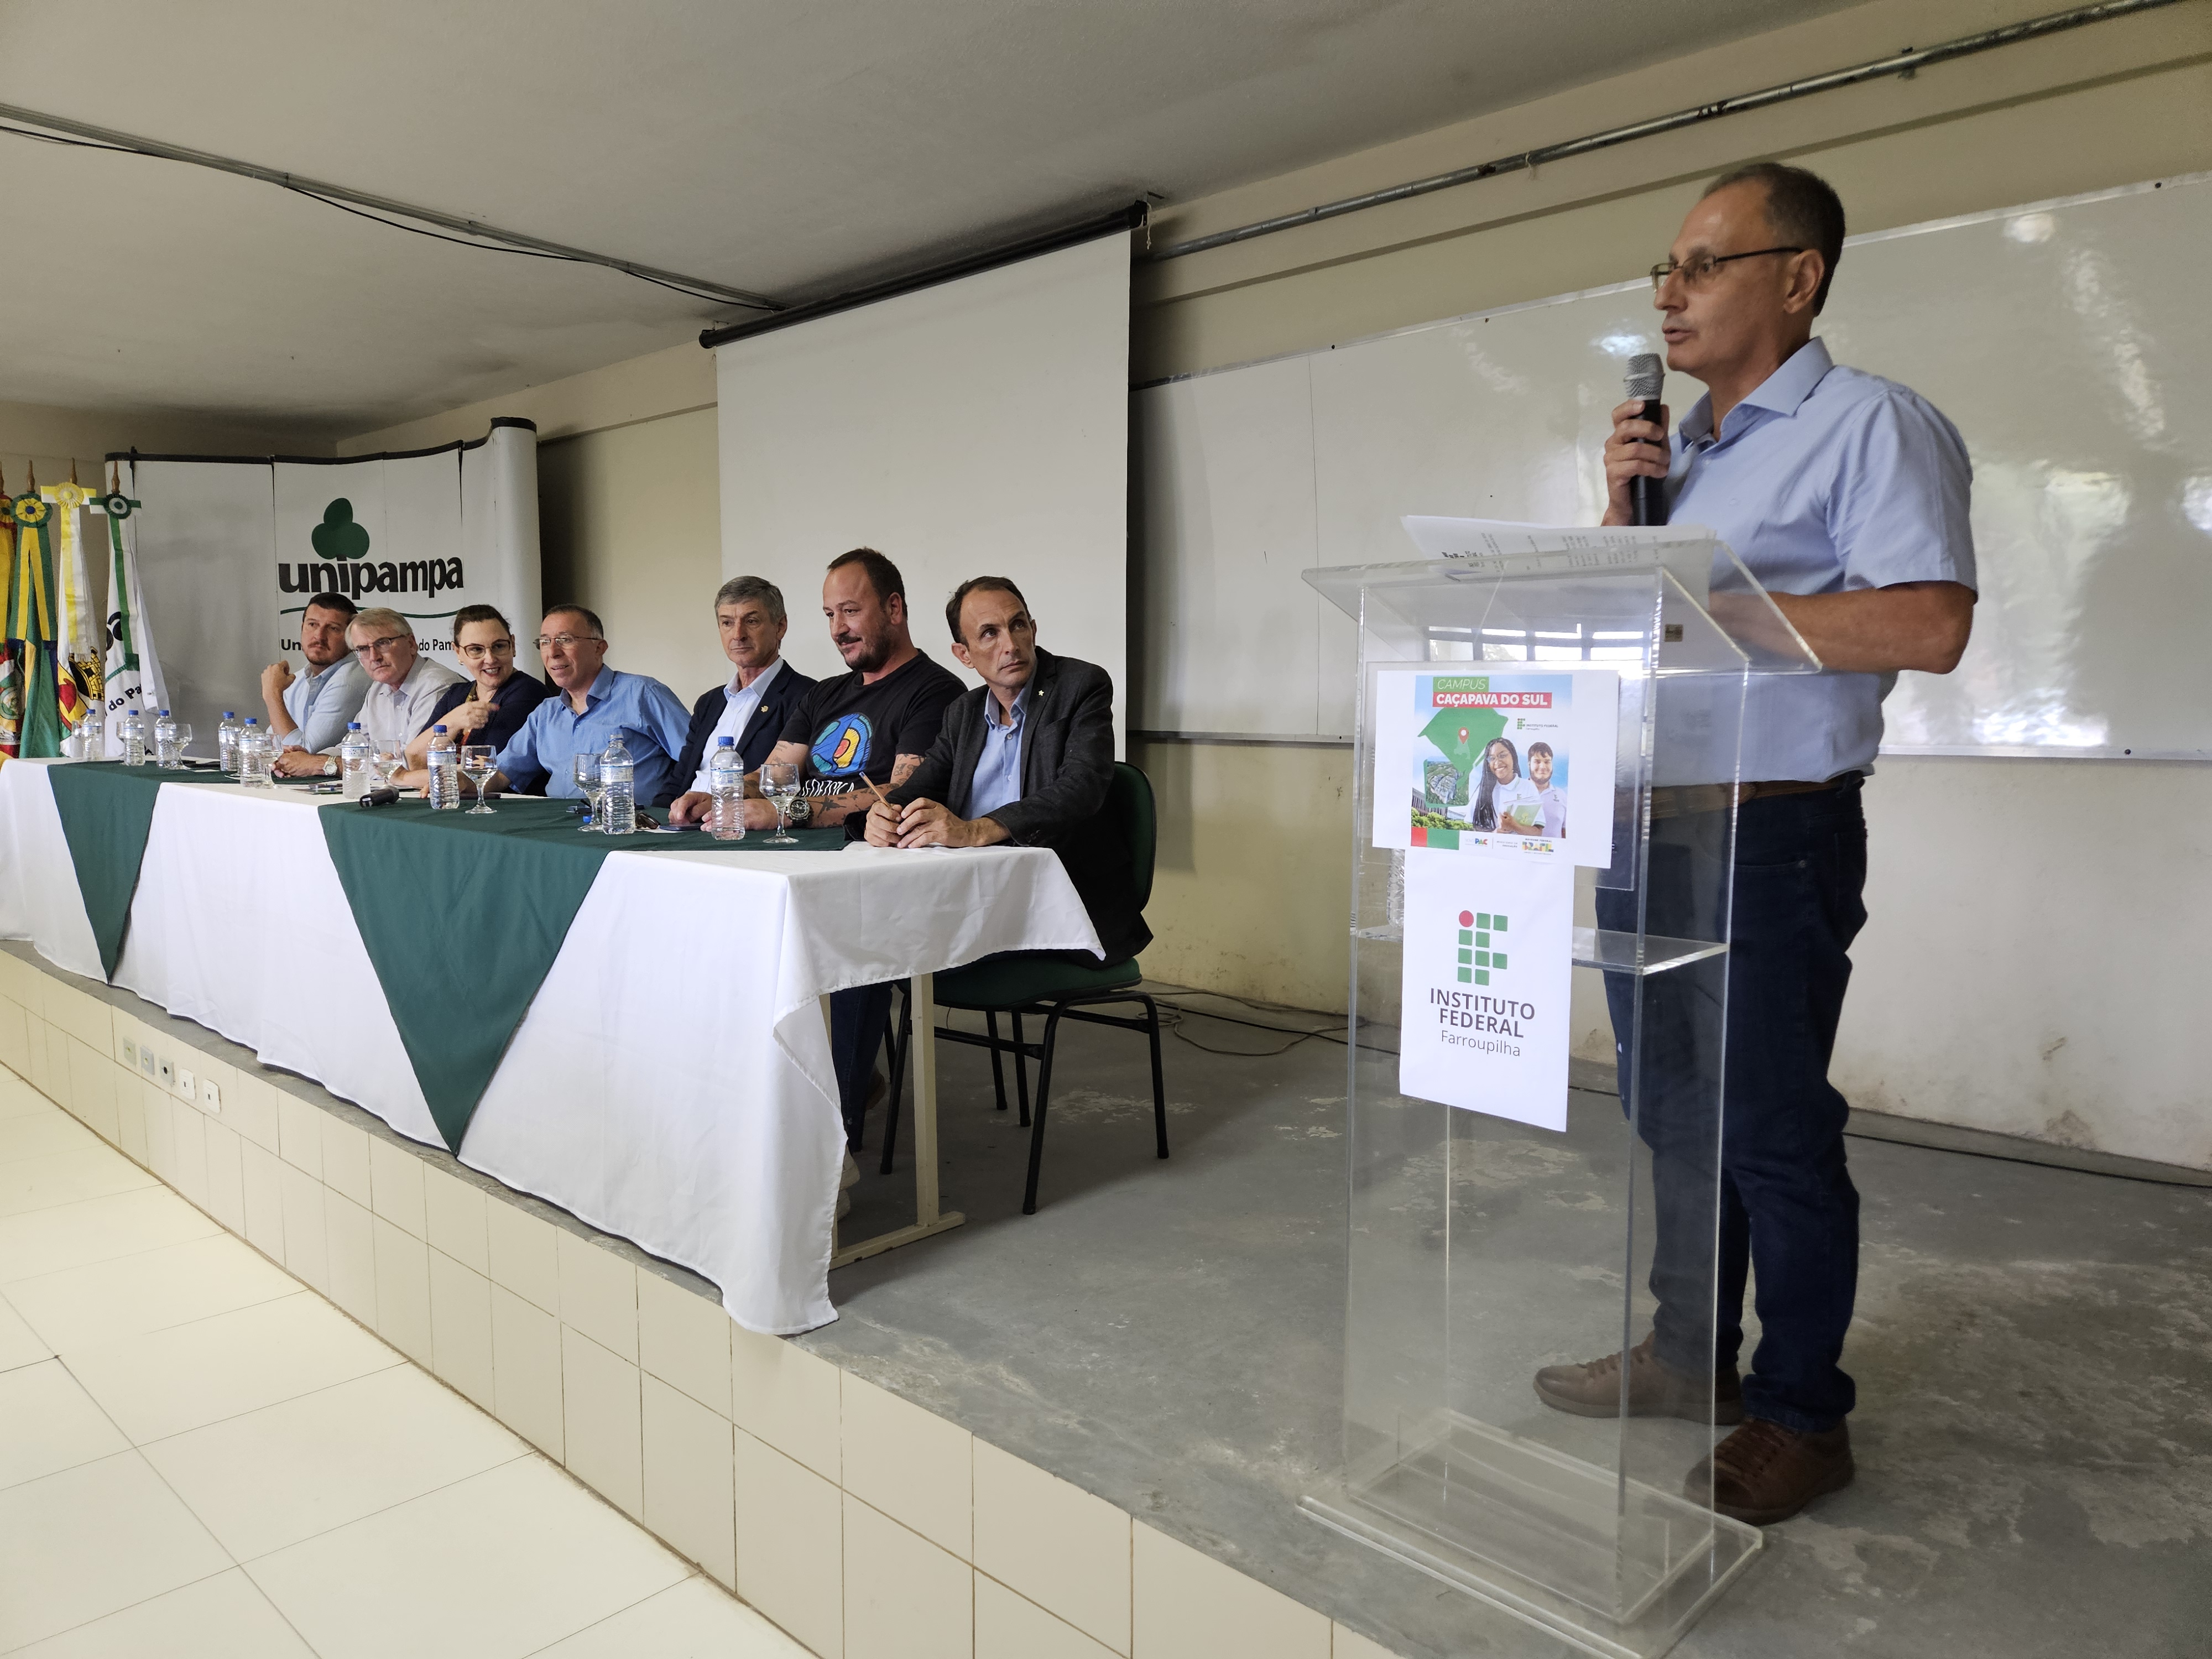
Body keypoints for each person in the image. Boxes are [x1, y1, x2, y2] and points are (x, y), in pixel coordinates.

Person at [1532, 162, 1974, 1525]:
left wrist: (1709, 607)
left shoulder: (1869, 425)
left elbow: (1927, 624)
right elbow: (1635, 632)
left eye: (1701, 265)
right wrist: (1622, 528)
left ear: (1797, 277)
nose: (1668, 294)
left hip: (1769, 829)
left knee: (1770, 1129)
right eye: (1662, 270)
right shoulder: (1682, 457)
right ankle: (1686, 1354)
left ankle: (1799, 1412)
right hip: (1642, 821)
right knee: (1666, 1110)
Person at [749, 549, 964, 1143]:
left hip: (873, 876)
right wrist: (717, 792)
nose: (838, 629)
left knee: (852, 937)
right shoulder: (824, 694)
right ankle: (769, 1101)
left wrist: (788, 810)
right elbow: (773, 775)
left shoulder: (935, 691)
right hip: (798, 863)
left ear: (894, 608)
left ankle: (833, 1132)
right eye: (829, 615)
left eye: (850, 610)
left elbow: (902, 790)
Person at [863, 575, 1150, 965]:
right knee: (866, 936)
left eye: (1018, 625)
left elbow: (1081, 788)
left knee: (897, 952)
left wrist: (975, 831)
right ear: (964, 654)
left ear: (1033, 630)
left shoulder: (1081, 686)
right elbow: (923, 786)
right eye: (989, 634)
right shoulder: (963, 713)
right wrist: (884, 814)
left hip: (1058, 902)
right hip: (972, 896)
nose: (1011, 645)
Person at [479, 606, 693, 807]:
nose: (553, 652)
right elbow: (501, 774)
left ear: (599, 648)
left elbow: (697, 758)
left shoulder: (642, 694)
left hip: (630, 823)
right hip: (559, 824)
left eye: (565, 640)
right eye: (544, 642)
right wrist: (462, 782)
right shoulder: (546, 714)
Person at [665, 576, 816, 825]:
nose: (738, 635)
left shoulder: (807, 696)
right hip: (684, 823)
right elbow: (679, 780)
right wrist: (653, 820)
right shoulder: (709, 702)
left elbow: (785, 782)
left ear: (780, 627)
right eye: (727, 623)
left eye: (751, 621)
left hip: (739, 828)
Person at [279, 607, 458, 778]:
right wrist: (305, 759)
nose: (374, 657)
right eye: (363, 649)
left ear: (411, 644)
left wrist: (322, 764)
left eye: (383, 643)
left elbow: (410, 764)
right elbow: (354, 747)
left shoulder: (437, 686)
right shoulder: (379, 688)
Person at [400, 604, 550, 768]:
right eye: (476, 650)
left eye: (499, 646)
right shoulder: (456, 694)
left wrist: (403, 777)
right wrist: (454, 721)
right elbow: (415, 758)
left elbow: (485, 770)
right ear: (458, 652)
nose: (490, 659)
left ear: (512, 645)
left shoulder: (528, 692)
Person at [262, 592, 367, 774]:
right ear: (302, 627)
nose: (319, 636)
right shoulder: (297, 679)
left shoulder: (350, 680)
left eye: (333, 628)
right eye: (312, 625)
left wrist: (272, 695)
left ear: (351, 637)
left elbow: (307, 753)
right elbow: (272, 744)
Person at [1528, 741, 1566, 838]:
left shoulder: (1562, 796)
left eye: (1547, 762)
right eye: (1537, 762)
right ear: (1529, 764)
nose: (1542, 767)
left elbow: (1565, 833)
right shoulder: (1517, 791)